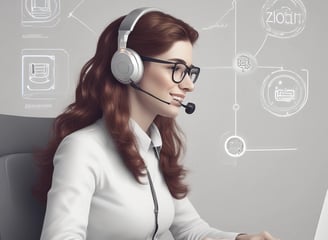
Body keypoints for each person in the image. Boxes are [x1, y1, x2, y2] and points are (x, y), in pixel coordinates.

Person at [34, 7, 279, 240]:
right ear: (128, 67)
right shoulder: (83, 149)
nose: (188, 85)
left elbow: (192, 230)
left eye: (189, 72)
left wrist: (242, 238)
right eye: (176, 68)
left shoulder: (154, 147)